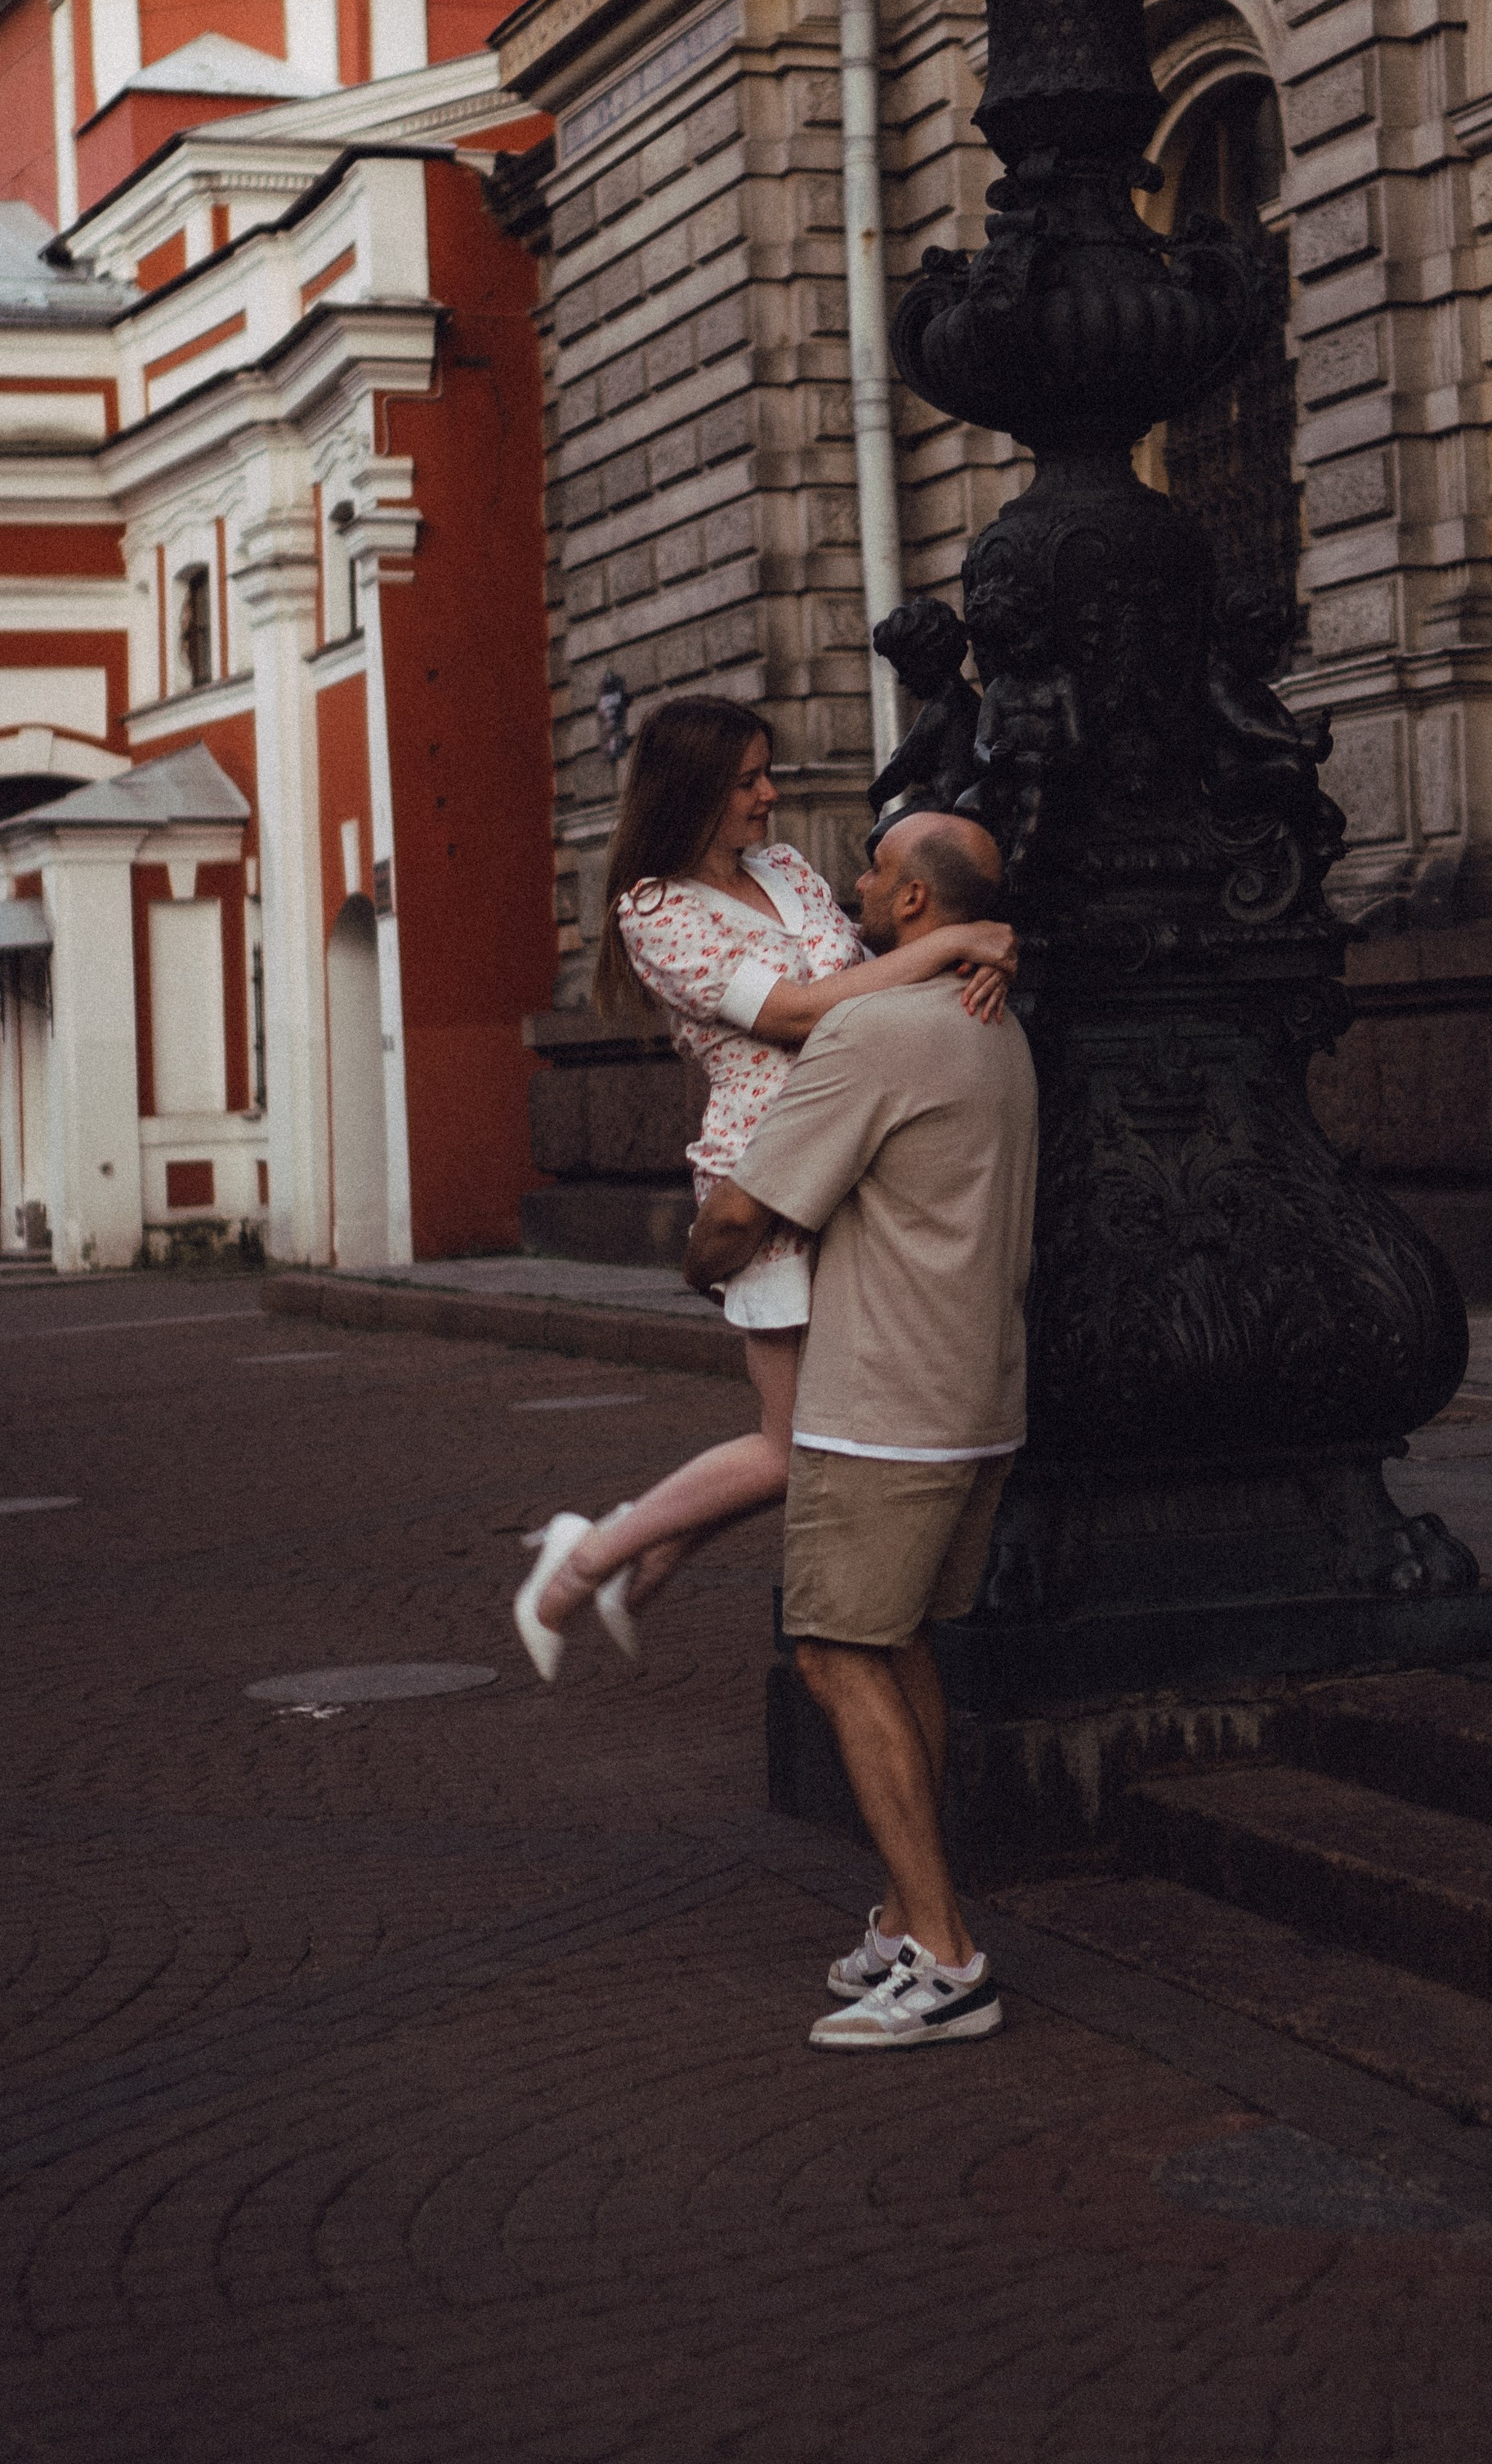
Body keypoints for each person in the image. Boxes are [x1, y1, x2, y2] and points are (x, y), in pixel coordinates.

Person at [514, 700, 1017, 1681]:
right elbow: (790, 1014)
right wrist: (954, 947)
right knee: (794, 1448)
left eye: (765, 774)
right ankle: (579, 1567)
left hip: (862, 1159)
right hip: (769, 1178)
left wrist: (980, 962)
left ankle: (628, 1553)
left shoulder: (785, 871)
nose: (768, 794)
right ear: (693, 789)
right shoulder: (654, 913)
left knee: (814, 1433)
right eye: (748, 779)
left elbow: (868, 980)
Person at [684, 809, 1039, 2051]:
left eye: (875, 871)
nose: (851, 879)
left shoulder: (872, 1031)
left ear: (907, 911)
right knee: (900, 1648)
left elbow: (746, 1212)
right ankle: (904, 1915)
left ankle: (946, 1958)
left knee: (835, 1653)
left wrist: (700, 1264)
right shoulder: (995, 1027)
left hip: (882, 1404)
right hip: (978, 1396)